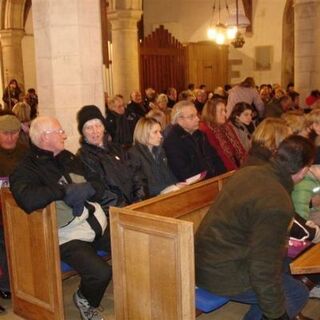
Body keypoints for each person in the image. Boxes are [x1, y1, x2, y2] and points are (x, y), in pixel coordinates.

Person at [195, 135, 315, 320]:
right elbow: (263, 268)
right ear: (304, 170)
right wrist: (277, 314)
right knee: (296, 293)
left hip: (204, 260)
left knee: (284, 265)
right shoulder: (277, 201)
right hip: (222, 273)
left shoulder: (248, 172)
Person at [10, 116, 116, 320]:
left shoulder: (68, 157)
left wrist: (89, 187)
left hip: (93, 221)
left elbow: (98, 183)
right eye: (60, 132)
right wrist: (63, 191)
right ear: (44, 137)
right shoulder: (26, 168)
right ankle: (85, 299)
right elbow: (27, 199)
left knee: (130, 245)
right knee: (101, 273)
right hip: (66, 235)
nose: (65, 135)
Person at [77, 105, 144, 207]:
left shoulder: (117, 149)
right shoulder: (83, 157)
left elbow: (136, 173)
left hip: (135, 206)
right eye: (89, 128)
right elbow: (99, 192)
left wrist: (139, 199)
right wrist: (124, 208)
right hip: (113, 213)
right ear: (83, 133)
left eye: (98, 126)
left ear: (104, 128)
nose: (95, 131)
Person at [0, 113, 29, 313]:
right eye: (5, 133)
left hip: (17, 208)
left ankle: (11, 285)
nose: (10, 137)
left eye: (14, 133)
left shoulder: (24, 150)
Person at [163, 100, 226, 181]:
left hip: (212, 180)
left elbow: (216, 158)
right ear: (179, 120)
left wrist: (223, 177)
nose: (197, 119)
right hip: (196, 186)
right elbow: (185, 174)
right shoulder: (172, 142)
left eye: (196, 115)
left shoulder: (200, 135)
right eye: (191, 116)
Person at [128, 117, 177, 197]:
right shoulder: (133, 154)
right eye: (155, 132)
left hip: (166, 194)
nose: (160, 136)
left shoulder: (160, 151)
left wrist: (176, 184)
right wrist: (166, 188)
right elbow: (139, 186)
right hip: (151, 198)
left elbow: (168, 174)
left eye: (160, 132)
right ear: (144, 134)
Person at [199, 98, 245, 170]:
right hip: (224, 170)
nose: (225, 113)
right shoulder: (206, 130)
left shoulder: (227, 126)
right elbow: (221, 156)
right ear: (211, 113)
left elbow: (241, 149)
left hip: (237, 166)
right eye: (221, 111)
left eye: (225, 110)